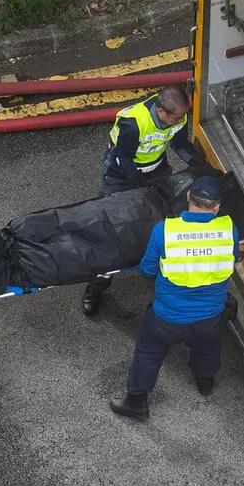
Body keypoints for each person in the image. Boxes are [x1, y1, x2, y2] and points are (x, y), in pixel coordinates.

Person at [110, 176, 240, 420]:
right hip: (210, 316)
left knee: (148, 352)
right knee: (207, 346)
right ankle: (205, 381)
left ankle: (136, 401)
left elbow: (147, 270)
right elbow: (234, 257)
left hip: (168, 319)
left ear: (188, 196)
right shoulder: (228, 228)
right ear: (217, 206)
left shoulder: (165, 231)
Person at [82, 85, 203, 317]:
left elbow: (179, 144)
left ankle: (155, 265)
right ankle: (95, 286)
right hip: (121, 175)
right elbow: (123, 159)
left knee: (162, 220)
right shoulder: (132, 124)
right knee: (110, 230)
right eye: (177, 118)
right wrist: (140, 187)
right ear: (161, 112)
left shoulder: (177, 115)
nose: (181, 121)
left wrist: (199, 164)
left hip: (156, 170)